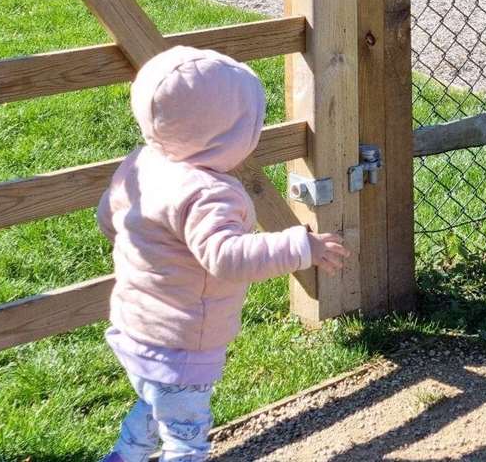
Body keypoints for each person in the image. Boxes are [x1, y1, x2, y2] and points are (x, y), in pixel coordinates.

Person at [96, 46, 349, 462]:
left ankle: (126, 455)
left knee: (154, 403)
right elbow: (227, 257)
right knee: (185, 437)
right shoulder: (206, 195)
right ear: (226, 135)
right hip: (181, 341)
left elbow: (109, 217)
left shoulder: (141, 164)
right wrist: (301, 246)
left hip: (134, 326)